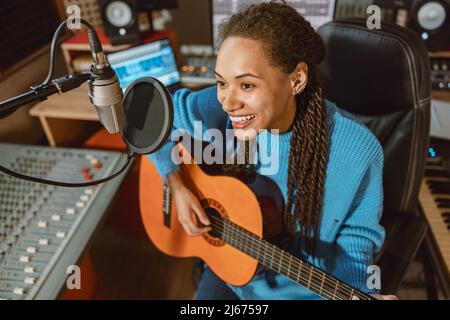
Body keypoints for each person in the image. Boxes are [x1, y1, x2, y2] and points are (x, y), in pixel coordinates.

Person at [149, 1, 397, 300]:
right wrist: (175, 183)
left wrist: (355, 293)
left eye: (247, 86)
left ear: (296, 79)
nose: (228, 102)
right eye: (221, 83)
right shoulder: (223, 109)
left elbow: (355, 244)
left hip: (306, 290)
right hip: (231, 270)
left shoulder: (357, 149)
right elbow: (150, 122)